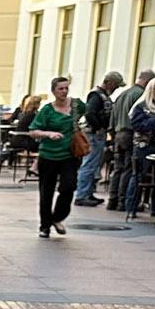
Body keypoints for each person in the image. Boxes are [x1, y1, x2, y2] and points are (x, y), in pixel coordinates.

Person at [27, 75, 83, 237]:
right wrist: (48, 134)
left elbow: (92, 112)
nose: (64, 91)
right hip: (48, 155)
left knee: (69, 187)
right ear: (53, 91)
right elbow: (33, 131)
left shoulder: (77, 105)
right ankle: (45, 226)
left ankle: (57, 217)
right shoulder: (47, 110)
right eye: (60, 89)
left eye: (66, 88)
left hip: (69, 155)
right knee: (46, 192)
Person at [104, 68, 151, 211]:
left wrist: (112, 133)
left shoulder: (123, 94)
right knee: (129, 168)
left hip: (118, 133)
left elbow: (113, 116)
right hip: (130, 134)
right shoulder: (141, 95)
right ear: (148, 82)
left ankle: (112, 200)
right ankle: (123, 201)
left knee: (118, 168)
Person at [126, 77, 155, 220]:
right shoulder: (141, 106)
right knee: (138, 176)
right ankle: (131, 207)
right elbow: (137, 125)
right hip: (143, 145)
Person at [74, 72, 121, 204]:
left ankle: (88, 193)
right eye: (116, 85)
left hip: (96, 133)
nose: (116, 88)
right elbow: (90, 113)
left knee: (93, 164)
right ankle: (82, 195)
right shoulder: (96, 95)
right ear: (109, 83)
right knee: (89, 164)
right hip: (94, 134)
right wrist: (99, 127)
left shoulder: (100, 95)